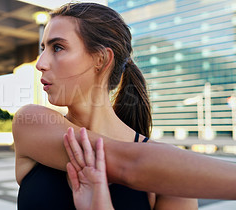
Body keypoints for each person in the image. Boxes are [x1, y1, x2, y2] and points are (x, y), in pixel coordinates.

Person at [13, 2, 236, 210]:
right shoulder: (31, 122)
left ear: (100, 59)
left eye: (58, 48)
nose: (40, 64)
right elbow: (129, 164)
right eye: (43, 48)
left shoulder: (172, 180)